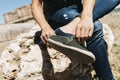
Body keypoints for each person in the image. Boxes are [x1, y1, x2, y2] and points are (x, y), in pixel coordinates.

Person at [32, 0, 120, 79]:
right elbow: (36, 4)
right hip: (57, 13)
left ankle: (71, 27)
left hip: (78, 8)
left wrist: (86, 17)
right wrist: (45, 27)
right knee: (96, 27)